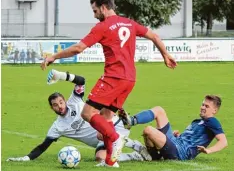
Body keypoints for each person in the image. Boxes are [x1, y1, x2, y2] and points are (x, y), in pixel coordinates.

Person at [40, 0, 177, 167]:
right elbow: (154, 36)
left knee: (87, 113)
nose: (95, 15)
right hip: (129, 79)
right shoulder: (129, 23)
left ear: (104, 8)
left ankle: (115, 138)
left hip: (113, 78)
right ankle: (111, 161)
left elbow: (78, 48)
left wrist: (54, 57)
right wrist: (165, 55)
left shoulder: (102, 27)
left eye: (95, 11)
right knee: (105, 119)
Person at [6, 69, 152, 166]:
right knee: (100, 158)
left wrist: (62, 75)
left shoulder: (75, 100)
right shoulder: (57, 127)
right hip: (101, 141)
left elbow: (81, 80)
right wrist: (24, 158)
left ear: (65, 100)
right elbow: (42, 147)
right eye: (55, 105)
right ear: (52, 108)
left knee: (102, 129)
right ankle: (134, 155)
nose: (60, 106)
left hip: (111, 125)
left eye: (61, 102)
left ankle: (133, 143)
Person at [119, 95, 228, 161]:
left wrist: (209, 150)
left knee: (148, 130)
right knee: (159, 110)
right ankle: (131, 121)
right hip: (176, 142)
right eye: (203, 104)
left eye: (207, 106)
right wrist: (179, 135)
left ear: (214, 111)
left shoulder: (212, 121)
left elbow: (223, 141)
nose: (202, 107)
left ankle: (150, 155)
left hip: (180, 152)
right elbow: (190, 138)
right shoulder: (197, 121)